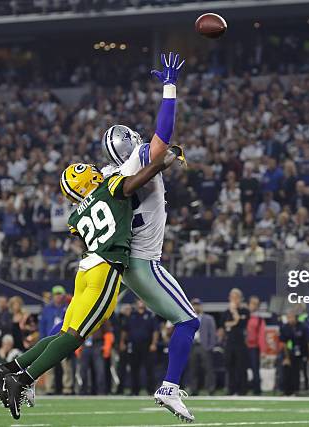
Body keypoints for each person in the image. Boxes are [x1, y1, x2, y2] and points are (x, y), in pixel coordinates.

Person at [0, 138, 182, 419]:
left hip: (86, 269)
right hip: (105, 268)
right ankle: (24, 379)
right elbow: (135, 182)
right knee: (75, 338)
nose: (94, 170)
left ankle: (9, 367)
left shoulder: (75, 215)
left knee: (65, 333)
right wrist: (164, 161)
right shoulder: (108, 187)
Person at [99, 52, 198, 421]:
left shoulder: (113, 173)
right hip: (143, 261)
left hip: (128, 260)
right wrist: (170, 87)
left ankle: (27, 372)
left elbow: (160, 157)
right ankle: (169, 387)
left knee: (78, 328)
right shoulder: (139, 157)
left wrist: (166, 159)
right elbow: (163, 136)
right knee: (189, 321)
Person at [38, 286, 72, 395]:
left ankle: (67, 388)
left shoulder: (67, 308)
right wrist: (42, 339)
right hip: (49, 340)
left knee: (66, 366)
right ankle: (49, 388)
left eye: (60, 294)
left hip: (63, 339)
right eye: (56, 294)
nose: (58, 296)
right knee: (48, 365)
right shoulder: (47, 309)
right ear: (53, 296)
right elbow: (42, 326)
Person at [125, 300, 160, 396]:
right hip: (134, 345)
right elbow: (125, 330)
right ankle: (134, 390)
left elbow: (155, 331)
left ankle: (151, 390)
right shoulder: (132, 315)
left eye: (142, 301)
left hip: (147, 345)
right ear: (136, 304)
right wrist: (123, 342)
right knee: (134, 368)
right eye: (138, 301)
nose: (140, 303)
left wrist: (154, 343)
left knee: (149, 368)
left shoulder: (150, 315)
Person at [280, 309, 309, 396]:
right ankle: (289, 390)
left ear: (295, 318)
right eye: (288, 318)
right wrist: (286, 358)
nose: (290, 320)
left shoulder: (303, 326)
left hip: (305, 350)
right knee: (287, 366)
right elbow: (284, 344)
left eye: (291, 317)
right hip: (293, 351)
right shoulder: (285, 327)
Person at [222, 288, 250, 395]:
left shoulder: (245, 311)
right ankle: (231, 389)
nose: (233, 299)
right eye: (231, 297)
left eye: (235, 297)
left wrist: (234, 313)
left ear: (240, 299)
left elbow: (241, 323)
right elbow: (225, 325)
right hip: (229, 342)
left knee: (241, 367)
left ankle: (242, 390)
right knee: (230, 366)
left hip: (240, 343)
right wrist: (235, 321)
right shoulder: (225, 313)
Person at [187, 298, 216, 395]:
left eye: (197, 305)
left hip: (204, 345)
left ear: (201, 306)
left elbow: (212, 334)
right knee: (193, 368)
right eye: (194, 305)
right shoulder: (188, 318)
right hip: (192, 346)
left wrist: (210, 346)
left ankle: (210, 388)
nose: (196, 307)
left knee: (208, 368)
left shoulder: (208, 319)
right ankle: (193, 389)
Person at [246, 296, 266, 395]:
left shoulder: (259, 319)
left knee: (255, 369)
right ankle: (242, 388)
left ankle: (257, 390)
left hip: (254, 347)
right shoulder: (243, 316)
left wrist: (262, 350)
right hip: (243, 347)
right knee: (241, 368)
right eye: (252, 303)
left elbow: (261, 336)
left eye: (256, 304)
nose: (254, 305)